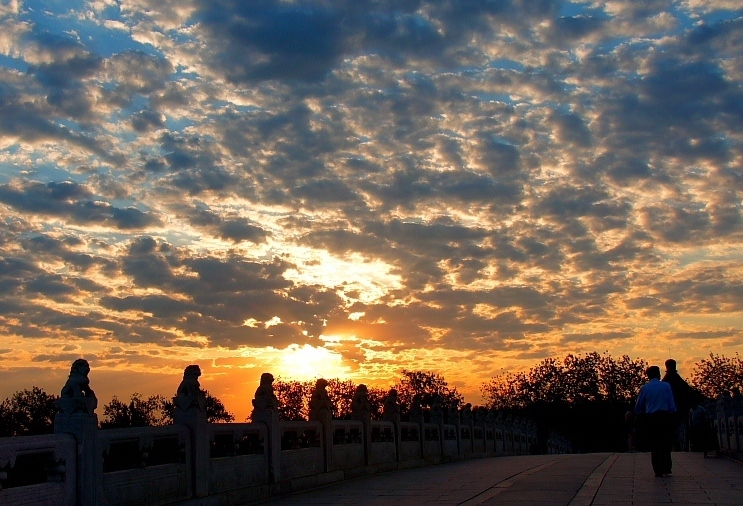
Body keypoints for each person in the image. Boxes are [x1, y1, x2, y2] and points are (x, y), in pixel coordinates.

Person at [635, 365, 676, 477]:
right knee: (665, 442)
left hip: (652, 418)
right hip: (665, 416)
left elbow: (638, 406)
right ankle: (667, 467)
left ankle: (658, 469)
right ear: (658, 374)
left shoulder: (645, 388)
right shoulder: (666, 386)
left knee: (655, 444)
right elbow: (671, 405)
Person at [662, 358, 706, 451]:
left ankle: (676, 447)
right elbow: (690, 392)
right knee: (680, 432)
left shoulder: (665, 382)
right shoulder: (677, 381)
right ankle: (680, 447)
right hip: (680, 412)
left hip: (669, 413)